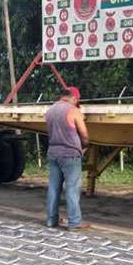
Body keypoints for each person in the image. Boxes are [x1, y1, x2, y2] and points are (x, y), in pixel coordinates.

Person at [45, 87, 90, 230]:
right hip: (70, 154)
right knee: (72, 187)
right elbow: (84, 134)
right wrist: (85, 146)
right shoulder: (73, 110)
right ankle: (75, 222)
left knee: (53, 187)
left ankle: (51, 220)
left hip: (53, 153)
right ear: (74, 99)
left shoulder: (50, 110)